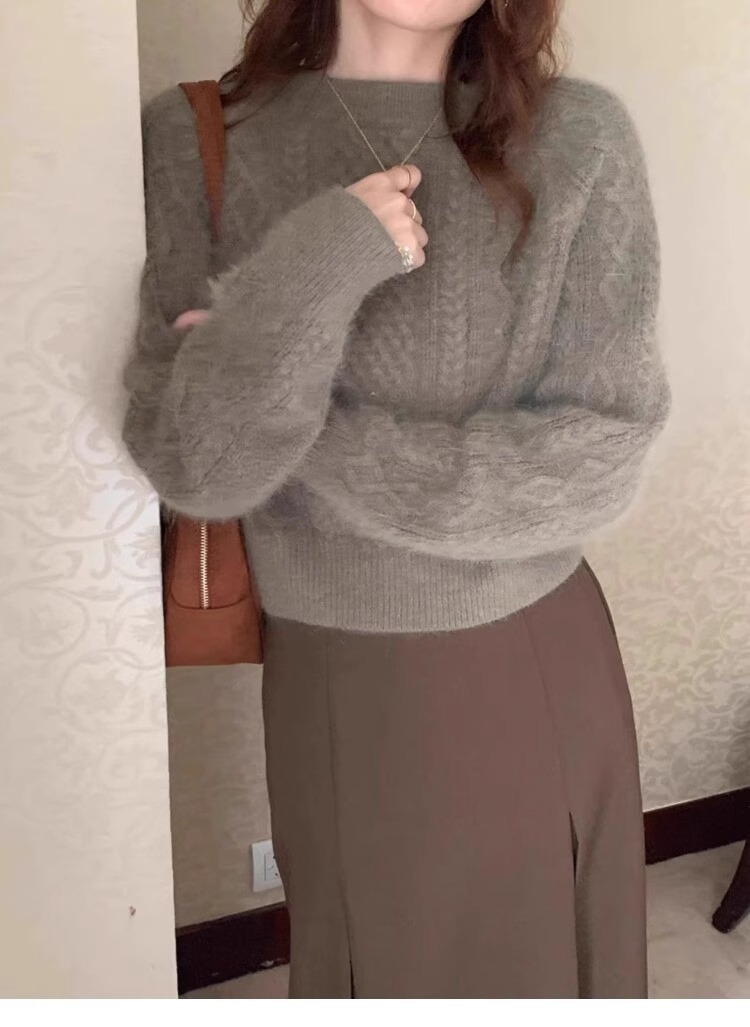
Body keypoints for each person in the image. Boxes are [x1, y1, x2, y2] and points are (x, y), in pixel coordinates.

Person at [123, 0, 670, 1000]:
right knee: (360, 962)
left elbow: (598, 452)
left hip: (525, 651)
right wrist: (318, 261)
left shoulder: (578, 137)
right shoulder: (197, 136)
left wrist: (290, 427)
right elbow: (195, 464)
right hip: (323, 668)